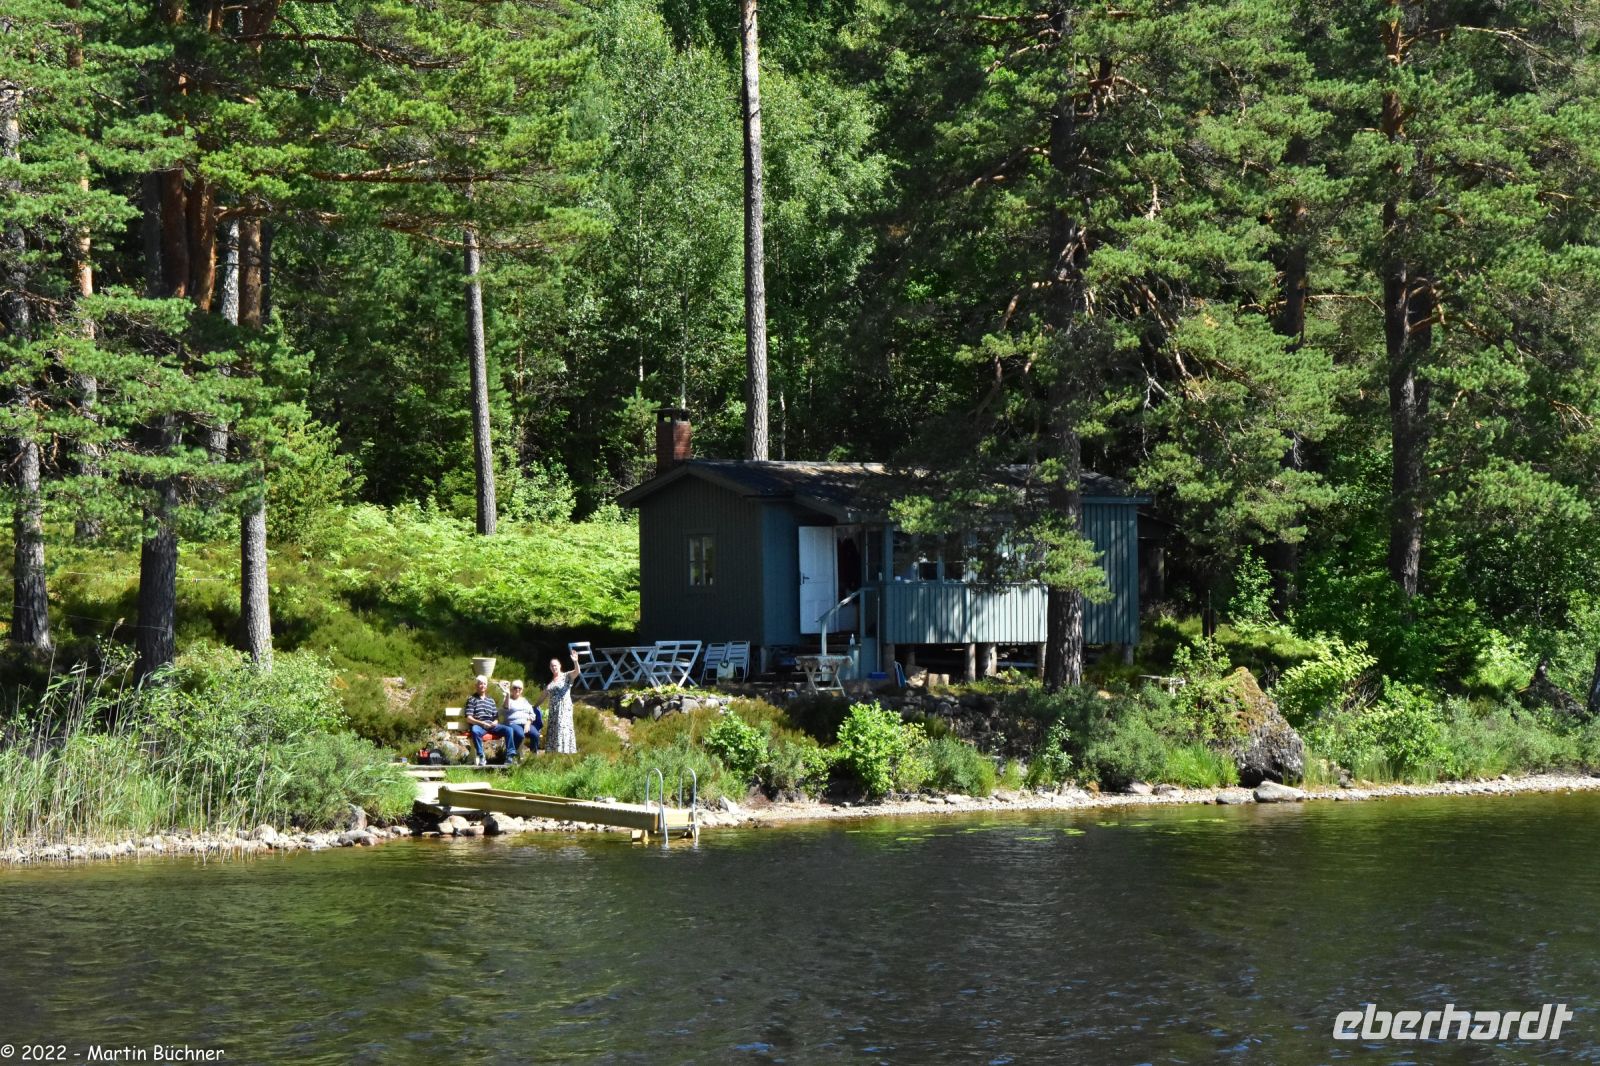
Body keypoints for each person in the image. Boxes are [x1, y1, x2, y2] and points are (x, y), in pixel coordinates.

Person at [465, 674, 513, 766]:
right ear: (476, 686)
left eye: (484, 684)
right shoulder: (472, 699)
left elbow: (495, 718)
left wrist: (495, 723)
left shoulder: (491, 700)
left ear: (486, 686)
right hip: (479, 725)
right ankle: (481, 756)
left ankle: (510, 756)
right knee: (474, 730)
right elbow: (469, 719)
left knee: (509, 730)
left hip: (491, 725)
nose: (482, 686)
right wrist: (481, 723)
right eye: (480, 684)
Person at [540, 651, 581, 755]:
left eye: (555, 665)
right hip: (553, 710)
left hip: (563, 709)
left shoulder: (566, 676)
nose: (554, 667)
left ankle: (564, 754)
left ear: (560, 666)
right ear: (550, 668)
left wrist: (575, 661)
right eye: (552, 666)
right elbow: (543, 695)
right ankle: (553, 755)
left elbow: (577, 672)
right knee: (554, 731)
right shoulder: (551, 682)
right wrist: (534, 706)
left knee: (562, 729)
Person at [502, 679, 542, 757]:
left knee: (535, 734)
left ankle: (533, 756)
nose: (517, 689)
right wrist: (507, 694)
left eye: (519, 688)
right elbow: (506, 707)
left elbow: (532, 714)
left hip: (526, 723)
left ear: (522, 690)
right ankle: (511, 754)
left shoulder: (525, 701)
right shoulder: (508, 699)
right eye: (515, 688)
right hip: (513, 723)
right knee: (520, 734)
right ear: (511, 689)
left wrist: (528, 723)